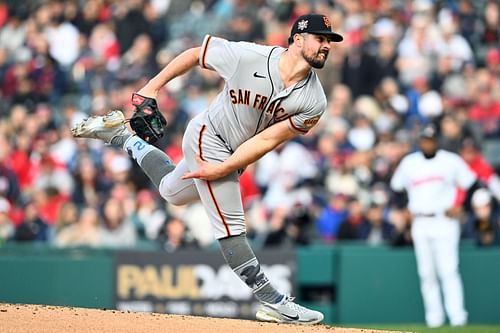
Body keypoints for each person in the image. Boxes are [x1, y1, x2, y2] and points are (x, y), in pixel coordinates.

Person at [71, 13, 343, 325]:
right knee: (230, 225)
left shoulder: (314, 100)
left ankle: (121, 136)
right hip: (207, 135)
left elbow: (268, 138)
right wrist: (151, 88)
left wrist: (228, 167)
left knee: (171, 192)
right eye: (320, 38)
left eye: (329, 41)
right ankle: (275, 302)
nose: (326, 46)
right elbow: (195, 54)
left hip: (231, 153)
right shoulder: (249, 56)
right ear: (297, 39)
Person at [390, 124, 479, 327]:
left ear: (436, 141)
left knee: (448, 270)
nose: (428, 143)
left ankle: (458, 318)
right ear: (420, 141)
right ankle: (434, 319)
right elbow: (396, 189)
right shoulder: (410, 163)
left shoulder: (450, 160)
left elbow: (473, 184)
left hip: (444, 220)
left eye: (431, 139)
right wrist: (404, 209)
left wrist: (461, 207)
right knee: (426, 273)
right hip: (420, 221)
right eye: (424, 140)